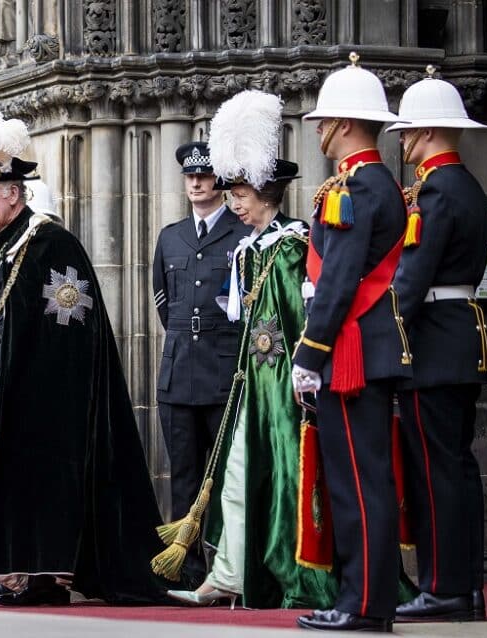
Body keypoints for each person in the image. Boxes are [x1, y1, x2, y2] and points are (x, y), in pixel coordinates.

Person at [0, 101, 169, 606]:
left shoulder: (51, 243)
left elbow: (70, 326)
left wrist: (33, 384)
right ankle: (0, 573)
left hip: (49, 392)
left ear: (15, 194)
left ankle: (35, 577)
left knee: (37, 483)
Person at [164, 90, 338, 610]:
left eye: (241, 193)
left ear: (265, 192)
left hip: (282, 382)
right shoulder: (248, 249)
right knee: (237, 478)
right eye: (232, 192)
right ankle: (227, 574)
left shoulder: (290, 243)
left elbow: (294, 318)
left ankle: (280, 571)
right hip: (249, 383)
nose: (233, 201)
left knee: (282, 477)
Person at [291, 54, 411, 632]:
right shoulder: (372, 182)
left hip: (351, 349)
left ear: (343, 124)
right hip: (360, 345)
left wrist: (309, 352)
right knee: (360, 477)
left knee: (357, 480)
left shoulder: (358, 185)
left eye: (324, 120)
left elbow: (337, 280)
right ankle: (361, 597)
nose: (318, 130)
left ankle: (363, 604)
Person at [384, 70, 487, 623]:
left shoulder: (435, 191)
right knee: (456, 468)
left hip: (433, 344)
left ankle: (444, 586)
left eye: (406, 133)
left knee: (434, 471)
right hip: (460, 339)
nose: (402, 142)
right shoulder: (465, 186)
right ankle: (464, 586)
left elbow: (411, 277)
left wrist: (378, 335)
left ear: (426, 133)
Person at [152, 141, 249, 584]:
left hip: (225, 371)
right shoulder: (171, 236)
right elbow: (163, 302)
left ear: (221, 181)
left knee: (229, 476)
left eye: (204, 175)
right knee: (184, 476)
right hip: (179, 372)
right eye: (190, 176)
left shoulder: (242, 232)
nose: (195, 182)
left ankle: (230, 566)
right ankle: (188, 569)